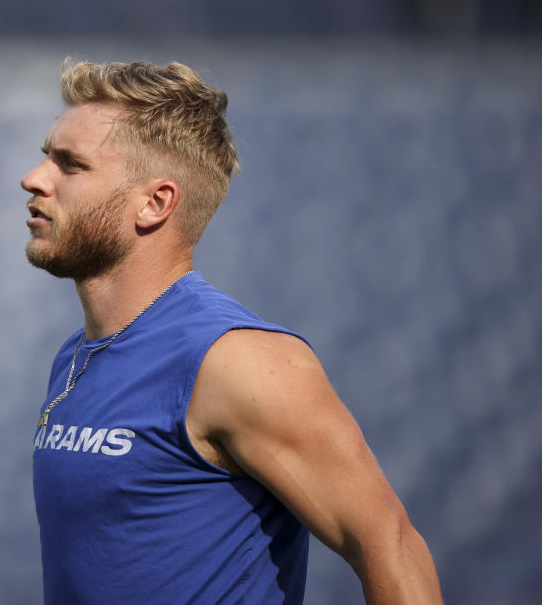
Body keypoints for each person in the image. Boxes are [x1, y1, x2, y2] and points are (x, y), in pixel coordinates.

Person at [22, 60, 442, 605]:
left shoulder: (236, 360)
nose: (34, 178)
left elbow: (391, 546)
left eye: (70, 164)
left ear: (155, 204)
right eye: (45, 155)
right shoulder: (74, 356)